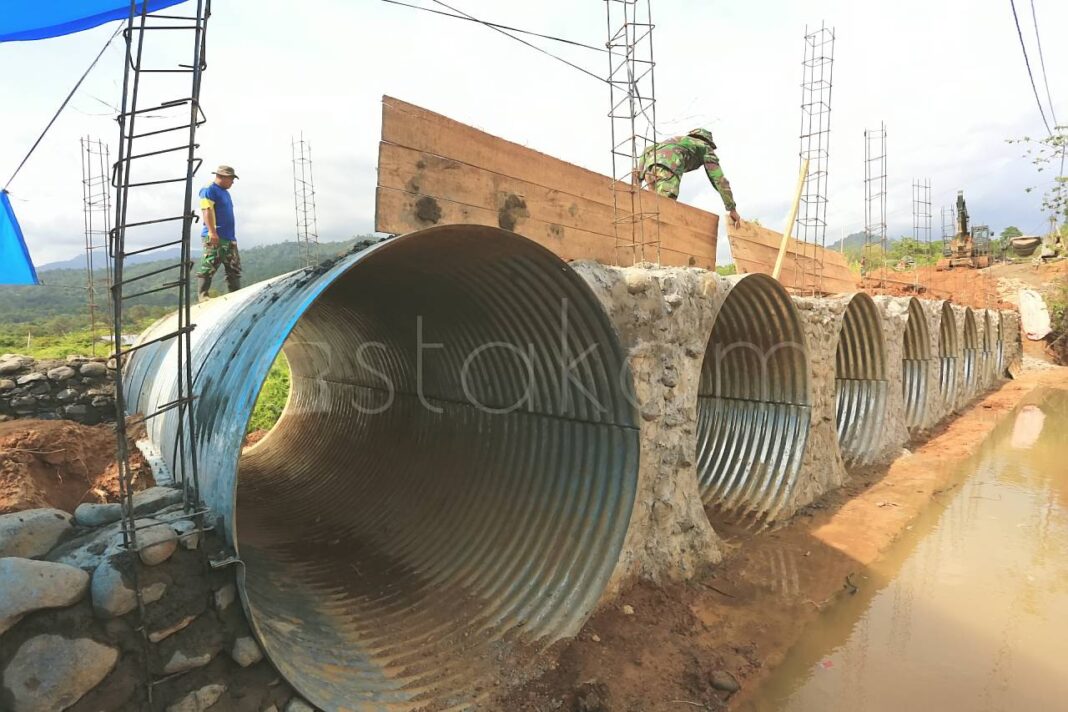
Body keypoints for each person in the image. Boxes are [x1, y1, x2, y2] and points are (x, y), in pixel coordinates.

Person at [637, 128, 741, 228]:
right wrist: (731, 208)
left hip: (649, 169)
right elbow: (719, 179)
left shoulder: (680, 140)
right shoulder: (704, 146)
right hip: (668, 168)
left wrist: (638, 180)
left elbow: (648, 149)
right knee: (664, 209)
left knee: (652, 207)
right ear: (707, 141)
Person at [197, 165, 241, 301]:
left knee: (234, 267)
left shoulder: (225, 192)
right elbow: (207, 210)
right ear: (221, 176)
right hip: (216, 236)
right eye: (231, 179)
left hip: (229, 237)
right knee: (209, 264)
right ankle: (203, 295)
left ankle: (234, 294)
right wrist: (212, 231)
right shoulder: (209, 189)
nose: (232, 182)